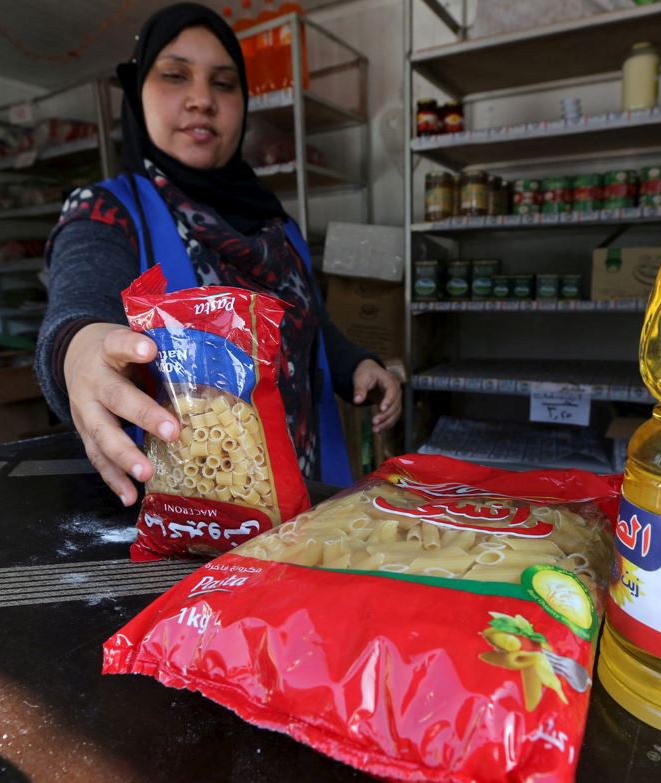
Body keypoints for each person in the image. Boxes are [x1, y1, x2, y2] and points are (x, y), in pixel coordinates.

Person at [35, 2, 401, 508]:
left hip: (308, 499)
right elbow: (80, 298)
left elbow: (306, 322)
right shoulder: (108, 211)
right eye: (174, 76)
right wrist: (76, 349)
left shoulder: (277, 224)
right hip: (204, 521)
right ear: (137, 93)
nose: (202, 99)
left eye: (224, 83)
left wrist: (355, 363)